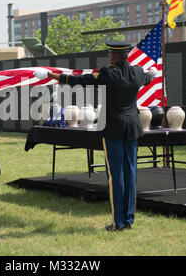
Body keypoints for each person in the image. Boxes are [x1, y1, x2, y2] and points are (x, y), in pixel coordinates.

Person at [34, 40, 157, 231]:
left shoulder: (108, 73)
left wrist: (50, 75)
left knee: (116, 176)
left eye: (110, 54)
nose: (109, 56)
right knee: (130, 173)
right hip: (132, 126)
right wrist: (152, 73)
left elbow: (79, 81)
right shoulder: (138, 72)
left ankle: (119, 222)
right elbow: (148, 76)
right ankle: (129, 219)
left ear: (115, 55)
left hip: (114, 127)